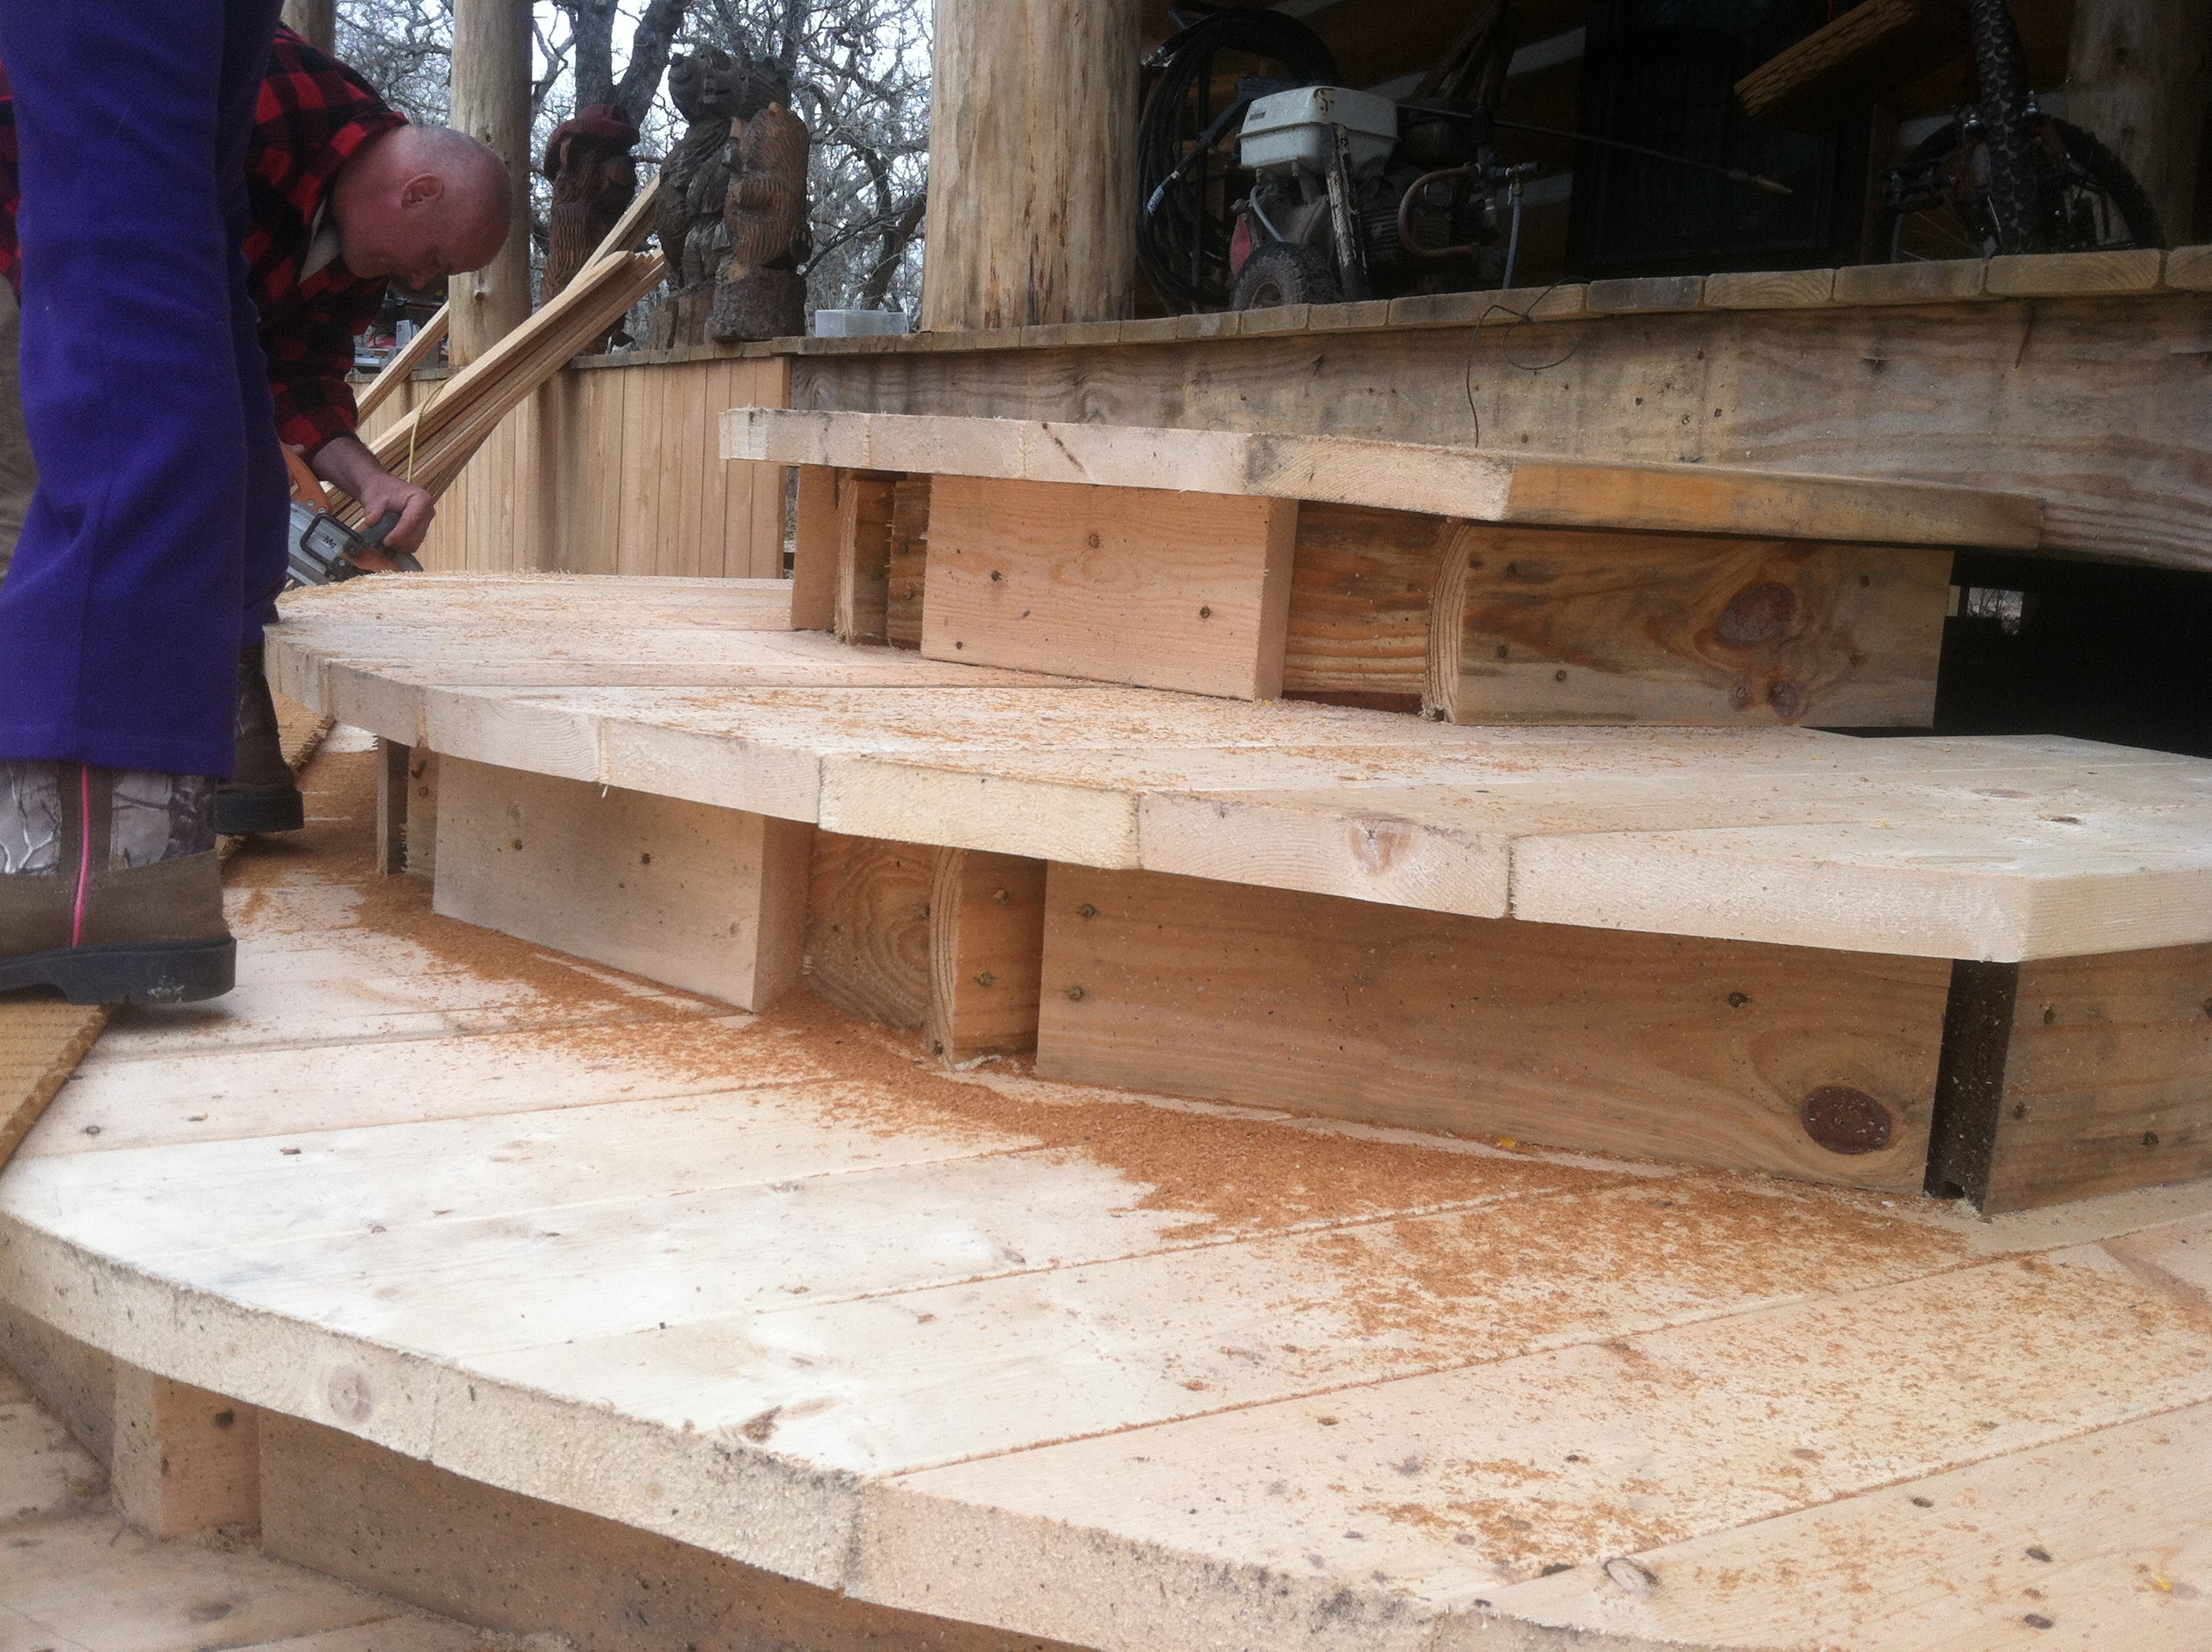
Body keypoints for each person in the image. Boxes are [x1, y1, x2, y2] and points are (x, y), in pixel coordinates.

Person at [0, 7, 507, 1006]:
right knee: (146, 296)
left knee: (109, 304)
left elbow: (298, 375)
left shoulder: (350, 244)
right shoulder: (289, 105)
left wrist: (371, 478)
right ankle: (203, 762)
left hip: (53, 235)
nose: (419, 282)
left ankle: (81, 854)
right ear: (415, 192)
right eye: (432, 259)